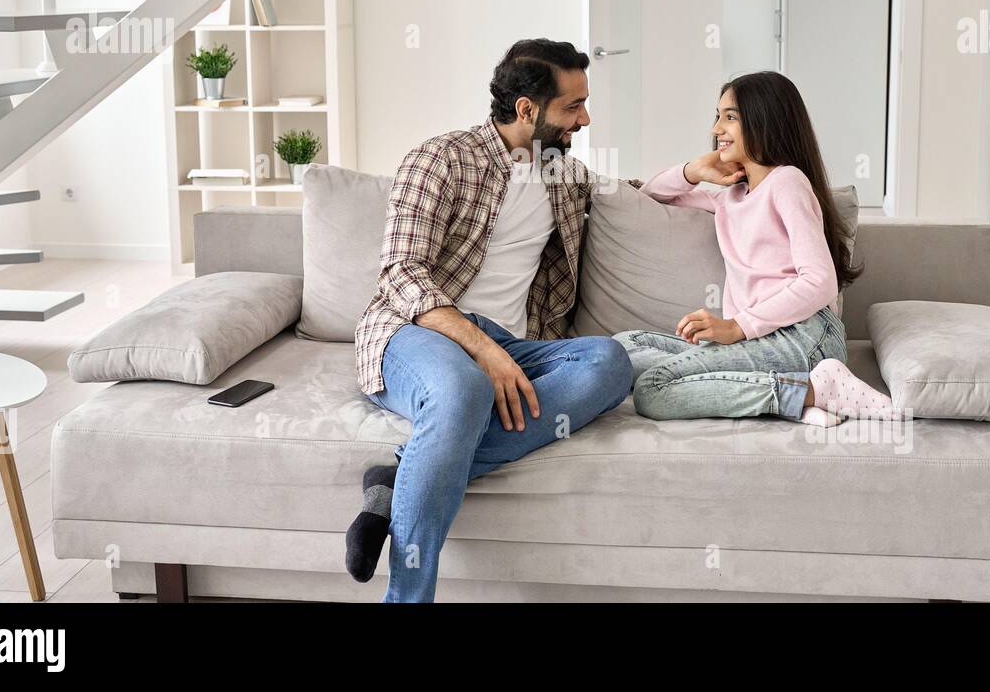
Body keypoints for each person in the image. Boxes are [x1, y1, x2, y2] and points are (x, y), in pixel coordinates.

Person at [345, 38, 634, 602]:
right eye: (573, 106)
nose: (586, 118)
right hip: (417, 332)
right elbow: (401, 272)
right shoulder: (441, 159)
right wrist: (483, 350)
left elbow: (634, 196)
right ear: (528, 110)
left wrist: (693, 176)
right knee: (464, 390)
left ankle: (398, 477)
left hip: (511, 343)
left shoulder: (564, 178)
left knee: (610, 363)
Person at [614, 71, 903, 427]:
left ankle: (810, 392)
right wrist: (695, 169)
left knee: (652, 389)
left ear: (766, 120)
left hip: (805, 335)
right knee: (620, 347)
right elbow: (648, 197)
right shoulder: (730, 197)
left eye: (730, 117)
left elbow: (820, 281)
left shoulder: (788, 182)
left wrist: (736, 326)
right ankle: (795, 391)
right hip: (754, 342)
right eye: (717, 116)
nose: (717, 128)